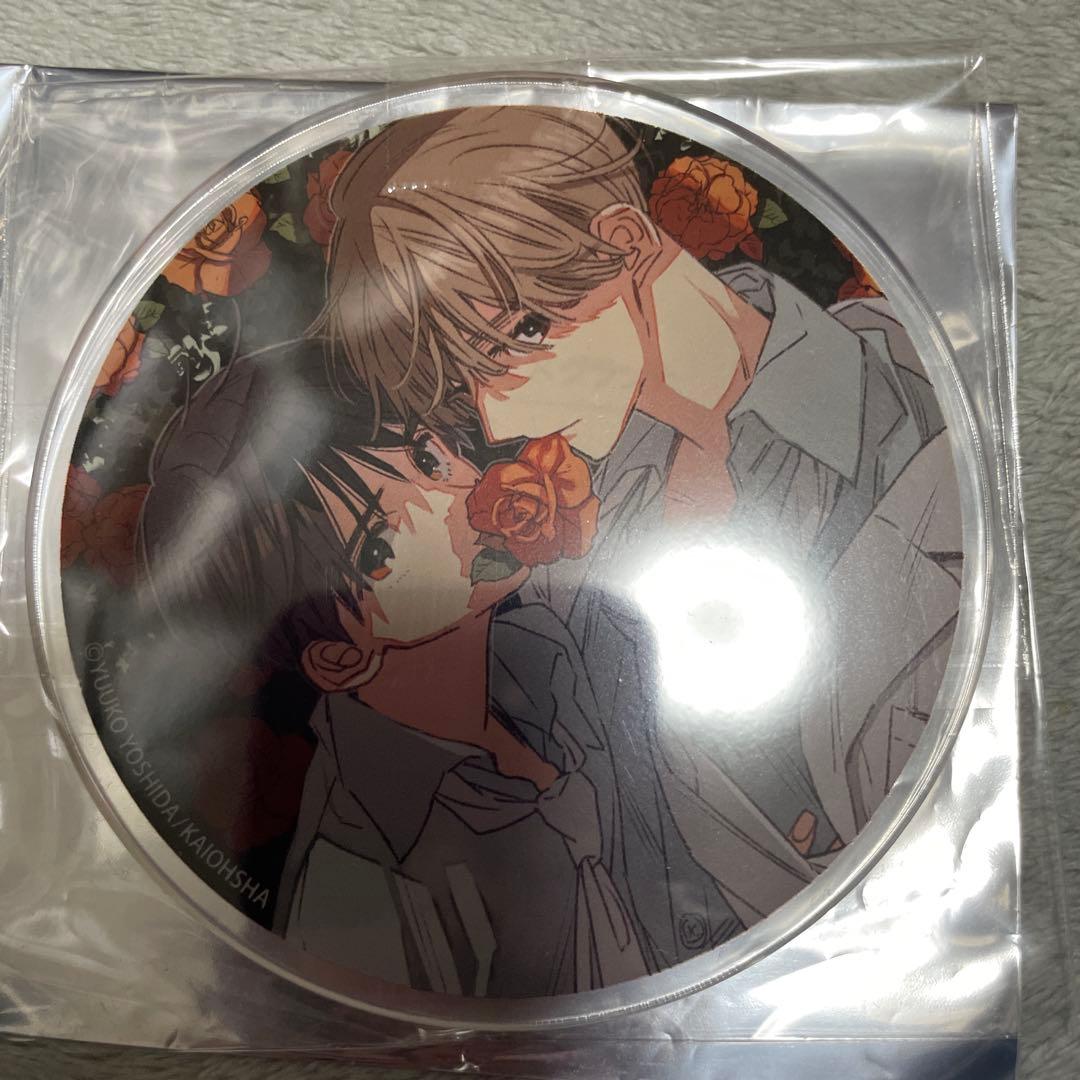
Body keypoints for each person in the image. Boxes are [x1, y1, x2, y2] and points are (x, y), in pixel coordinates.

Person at [316, 105, 961, 872]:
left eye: (517, 342)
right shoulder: (573, 549)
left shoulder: (933, 387)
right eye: (468, 383)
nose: (495, 418)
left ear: (625, 243)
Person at [138, 338, 755, 998]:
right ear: (339, 657)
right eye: (377, 545)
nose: (451, 499)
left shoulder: (576, 651)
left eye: (428, 458)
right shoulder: (357, 882)